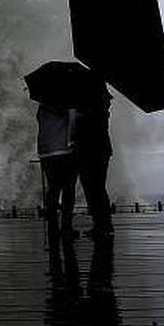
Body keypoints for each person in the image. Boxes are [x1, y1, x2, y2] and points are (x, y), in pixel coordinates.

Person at [37, 99, 80, 240]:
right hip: (65, 150)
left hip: (46, 151)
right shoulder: (67, 100)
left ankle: (52, 226)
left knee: (53, 188)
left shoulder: (42, 105)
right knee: (69, 188)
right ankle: (66, 227)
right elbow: (73, 119)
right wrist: (72, 140)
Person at [76, 81, 114, 237]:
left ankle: (101, 224)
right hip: (101, 150)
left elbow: (86, 127)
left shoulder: (92, 111)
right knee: (97, 187)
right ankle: (103, 223)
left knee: (94, 187)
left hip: (91, 150)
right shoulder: (102, 109)